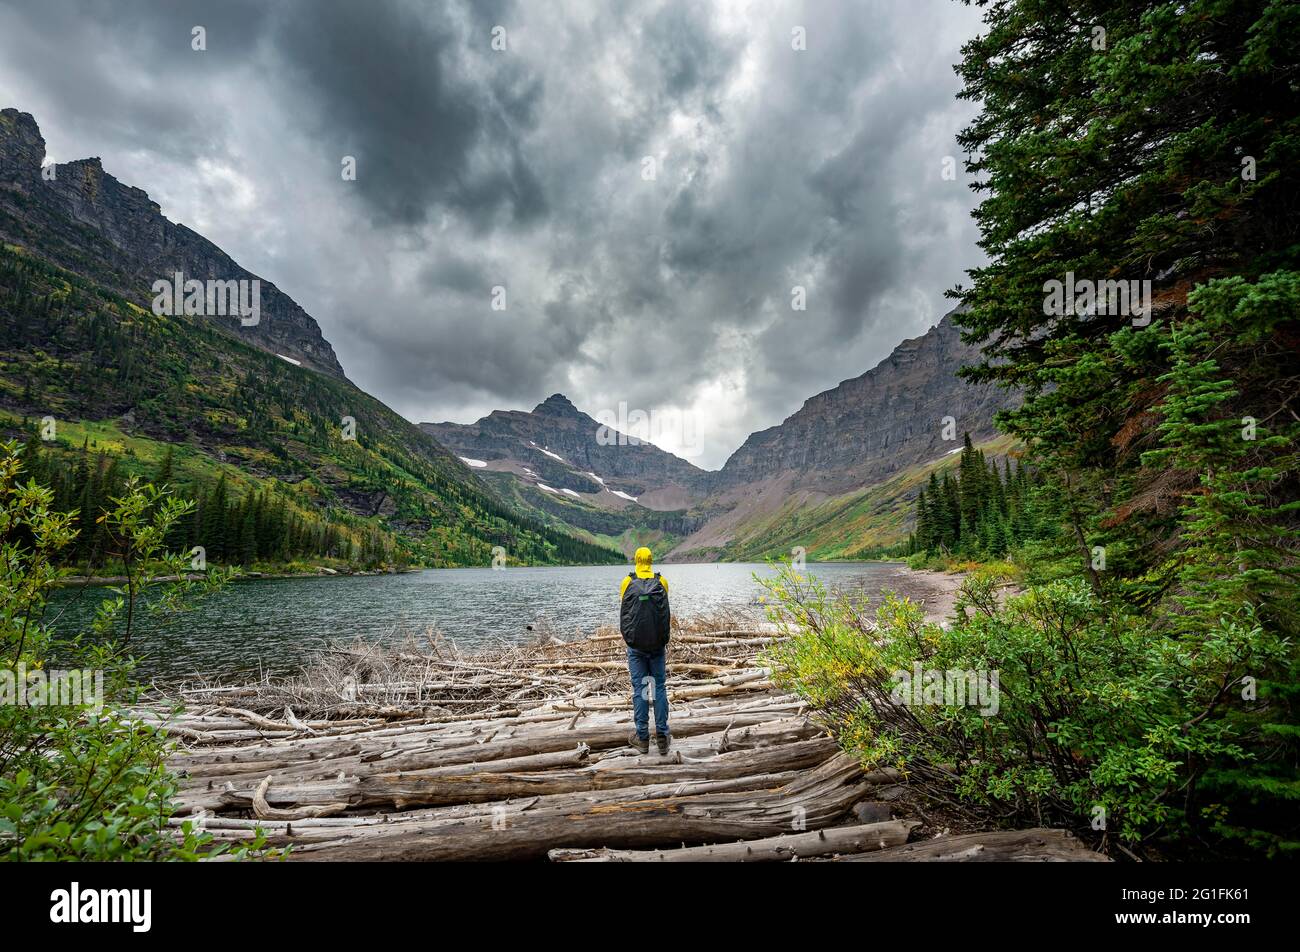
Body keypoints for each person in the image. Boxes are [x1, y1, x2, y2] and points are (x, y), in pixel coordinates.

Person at [619, 546, 671, 754]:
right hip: (657, 645)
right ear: (651, 560)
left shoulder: (627, 582)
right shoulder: (662, 582)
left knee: (640, 689)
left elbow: (625, 608)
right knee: (659, 688)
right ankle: (662, 738)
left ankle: (642, 738)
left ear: (637, 560)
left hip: (636, 647)